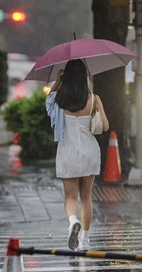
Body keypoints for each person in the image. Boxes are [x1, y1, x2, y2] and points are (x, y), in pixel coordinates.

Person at [45, 59, 109, 251]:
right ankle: (85, 239)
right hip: (89, 152)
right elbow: (105, 126)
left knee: (70, 197)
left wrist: (58, 81)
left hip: (68, 152)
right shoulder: (94, 99)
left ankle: (73, 221)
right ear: (84, 76)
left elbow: (48, 101)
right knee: (86, 196)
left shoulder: (59, 101)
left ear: (68, 77)